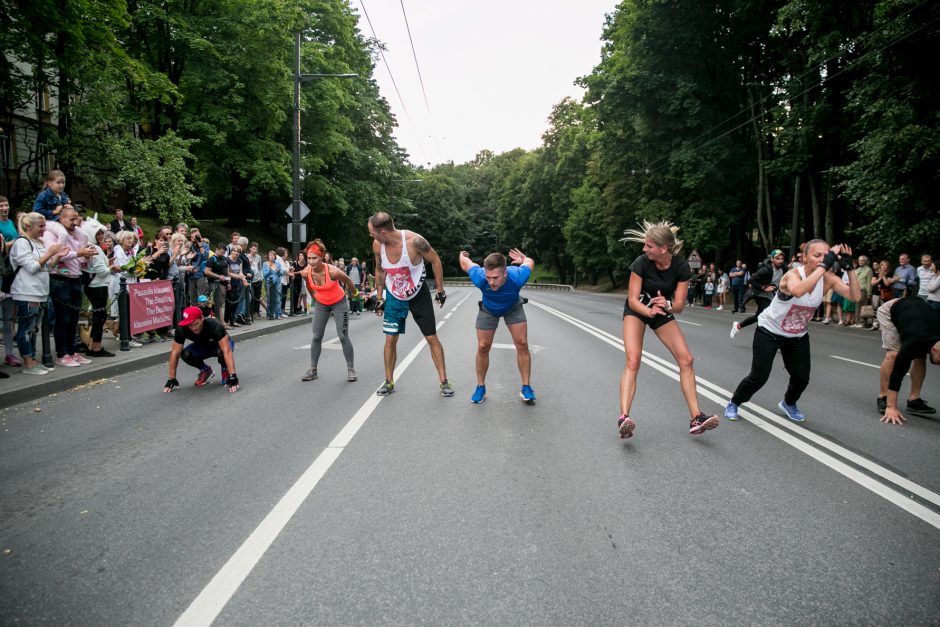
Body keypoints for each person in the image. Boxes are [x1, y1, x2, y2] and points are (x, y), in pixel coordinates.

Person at [724, 241, 860, 423]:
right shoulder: (792, 275)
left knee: (801, 377)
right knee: (759, 377)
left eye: (826, 255)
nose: (823, 259)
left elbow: (855, 296)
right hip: (769, 331)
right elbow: (798, 290)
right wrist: (825, 264)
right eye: (817, 255)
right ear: (804, 257)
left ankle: (788, 403)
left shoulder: (828, 279)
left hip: (797, 335)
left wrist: (850, 268)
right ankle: (734, 402)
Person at [618, 221, 719, 438]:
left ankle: (696, 418)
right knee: (633, 359)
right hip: (638, 311)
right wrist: (649, 311)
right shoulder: (641, 263)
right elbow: (633, 300)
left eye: (649, 246)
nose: (644, 249)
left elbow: (680, 305)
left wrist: (667, 306)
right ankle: (624, 417)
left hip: (661, 310)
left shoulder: (681, 267)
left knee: (686, 359)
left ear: (663, 249)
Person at [368, 211, 453, 397]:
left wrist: (440, 291)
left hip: (417, 293)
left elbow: (435, 260)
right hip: (395, 295)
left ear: (383, 232)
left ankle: (444, 382)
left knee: (431, 337)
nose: (370, 236)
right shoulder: (377, 244)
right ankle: (388, 381)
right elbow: (379, 269)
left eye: (372, 232)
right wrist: (380, 297)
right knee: (391, 338)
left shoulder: (415, 242)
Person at [459, 248, 536, 404]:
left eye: (495, 277)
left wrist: (524, 258)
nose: (491, 282)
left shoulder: (518, 276)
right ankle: (480, 387)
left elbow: (530, 262)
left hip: (513, 307)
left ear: (505, 274)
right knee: (482, 346)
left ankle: (526, 387)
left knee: (522, 343)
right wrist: (461, 256)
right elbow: (466, 264)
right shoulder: (480, 277)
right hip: (489, 309)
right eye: (488, 277)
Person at [10, 212, 65, 374]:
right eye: (41, 226)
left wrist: (56, 256)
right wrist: (49, 253)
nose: (44, 230)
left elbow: (47, 267)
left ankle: (33, 359)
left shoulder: (38, 242)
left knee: (34, 329)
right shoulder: (22, 243)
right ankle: (27, 362)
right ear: (29, 226)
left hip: (40, 292)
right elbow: (32, 267)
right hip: (26, 292)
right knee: (26, 328)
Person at [43, 207, 97, 366]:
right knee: (63, 319)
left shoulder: (78, 235)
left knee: (74, 319)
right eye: (71, 219)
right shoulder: (51, 234)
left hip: (75, 278)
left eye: (77, 218)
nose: (75, 222)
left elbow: (79, 258)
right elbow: (58, 254)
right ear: (61, 219)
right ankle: (61, 354)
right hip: (60, 279)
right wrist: (79, 253)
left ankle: (72, 351)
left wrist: (87, 256)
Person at [298, 240, 358, 383]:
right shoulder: (306, 272)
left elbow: (348, 281)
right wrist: (316, 299)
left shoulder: (332, 271)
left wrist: (355, 295)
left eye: (315, 258)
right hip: (322, 305)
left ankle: (351, 369)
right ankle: (313, 370)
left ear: (322, 257)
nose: (311, 262)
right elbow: (310, 288)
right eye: (309, 258)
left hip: (339, 304)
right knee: (316, 336)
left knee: (343, 336)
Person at [875, 297, 940, 425]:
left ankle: (914, 400)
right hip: (890, 311)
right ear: (934, 350)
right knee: (893, 356)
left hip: (917, 311)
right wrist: (891, 407)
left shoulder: (932, 342)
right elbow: (898, 373)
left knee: (920, 357)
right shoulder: (914, 341)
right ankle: (883, 397)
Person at [163, 306, 239, 393]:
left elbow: (227, 350)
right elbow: (175, 352)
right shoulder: (181, 329)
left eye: (196, 324)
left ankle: (226, 371)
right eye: (190, 325)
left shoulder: (215, 325)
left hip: (220, 346)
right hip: (202, 346)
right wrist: (171, 378)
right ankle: (206, 370)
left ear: (202, 318)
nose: (194, 328)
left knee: (222, 352)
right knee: (185, 354)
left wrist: (233, 375)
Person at [731, 249, 785, 339]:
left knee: (759, 316)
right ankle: (768, 338)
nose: (780, 261)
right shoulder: (766, 270)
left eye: (782, 258)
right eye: (777, 258)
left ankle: (738, 326)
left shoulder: (784, 268)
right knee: (768, 315)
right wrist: (764, 287)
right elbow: (751, 280)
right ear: (772, 259)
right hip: (760, 294)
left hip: (773, 295)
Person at [262, 250, 285, 319]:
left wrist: (278, 271)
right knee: (269, 298)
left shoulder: (278, 263)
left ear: (275, 256)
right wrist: (269, 270)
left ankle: (278, 314)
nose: (271, 257)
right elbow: (264, 275)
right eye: (270, 255)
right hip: (269, 282)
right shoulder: (265, 264)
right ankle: (269, 313)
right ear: (268, 256)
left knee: (278, 298)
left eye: (273, 255)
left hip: (277, 282)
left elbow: (281, 273)